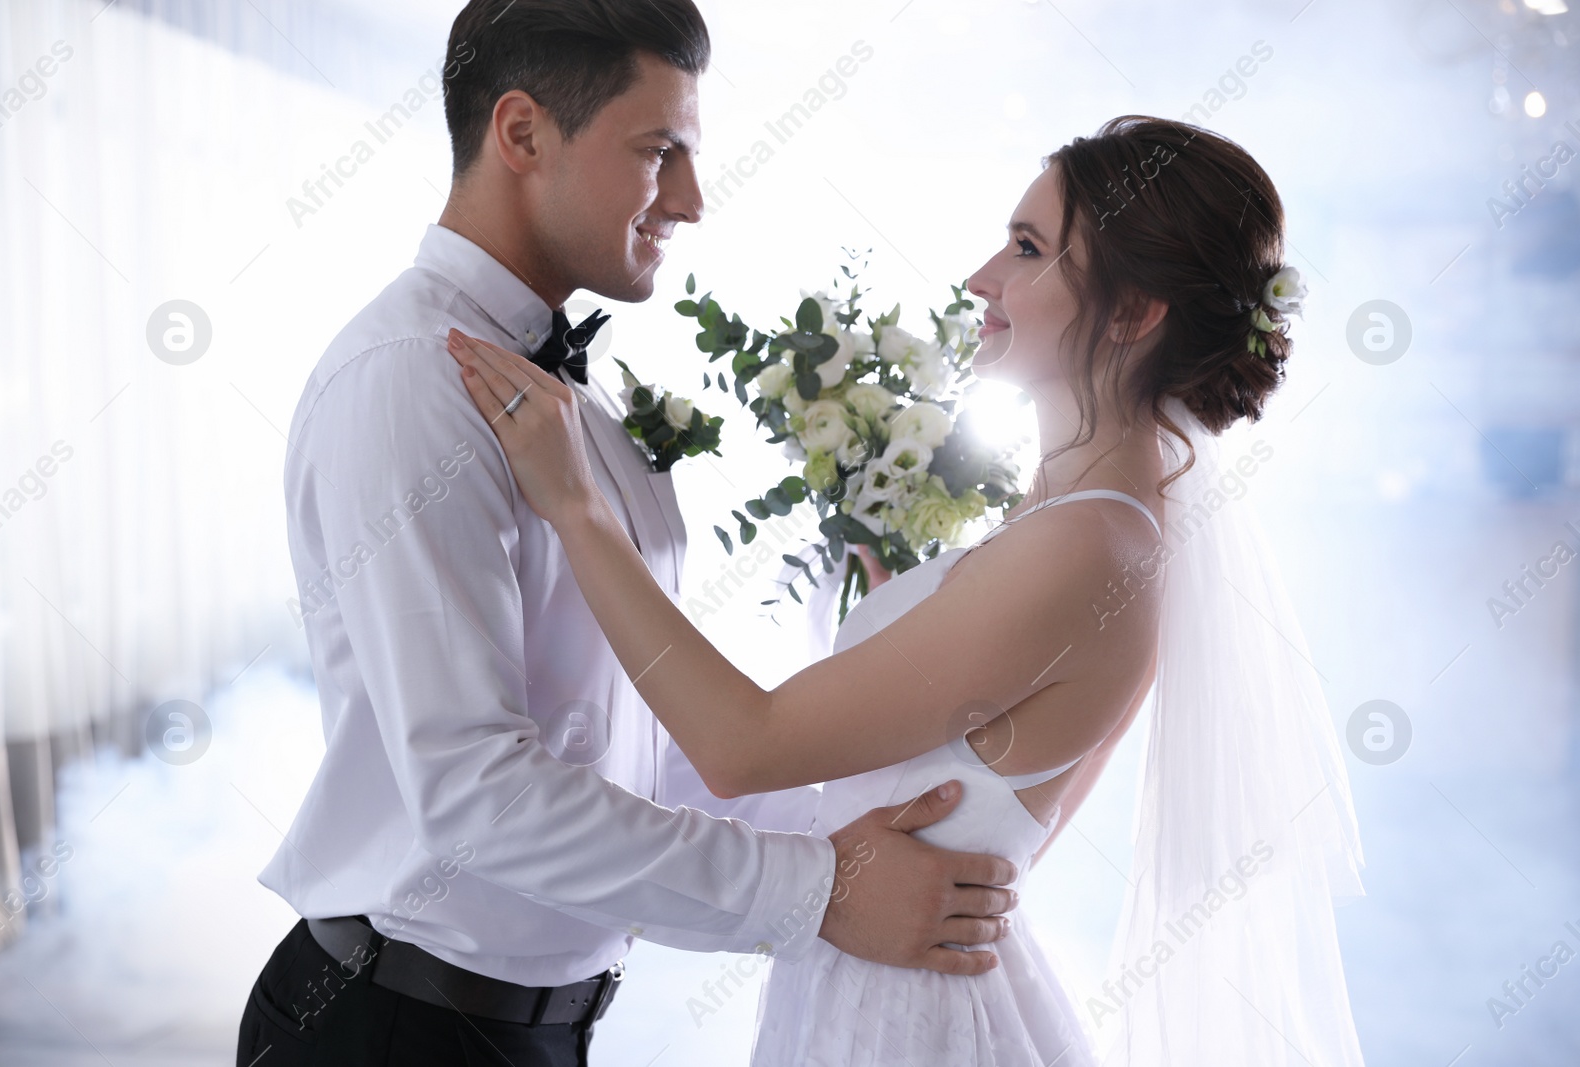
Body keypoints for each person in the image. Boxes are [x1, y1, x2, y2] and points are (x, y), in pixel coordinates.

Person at [449, 116, 1368, 1066]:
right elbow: (994, 825)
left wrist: (577, 508)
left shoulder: (1086, 544)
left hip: (902, 1020)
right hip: (901, 978)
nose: (982, 279)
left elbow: (739, 746)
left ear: (1135, 313)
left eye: (1028, 250)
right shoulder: (1109, 520)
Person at [235, 2, 1018, 1064]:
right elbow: (478, 791)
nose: (692, 201)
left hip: (533, 1032)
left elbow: (627, 741)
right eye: (661, 152)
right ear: (520, 134)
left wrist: (845, 845)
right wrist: (817, 889)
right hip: (394, 1027)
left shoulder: (576, 410)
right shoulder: (412, 383)